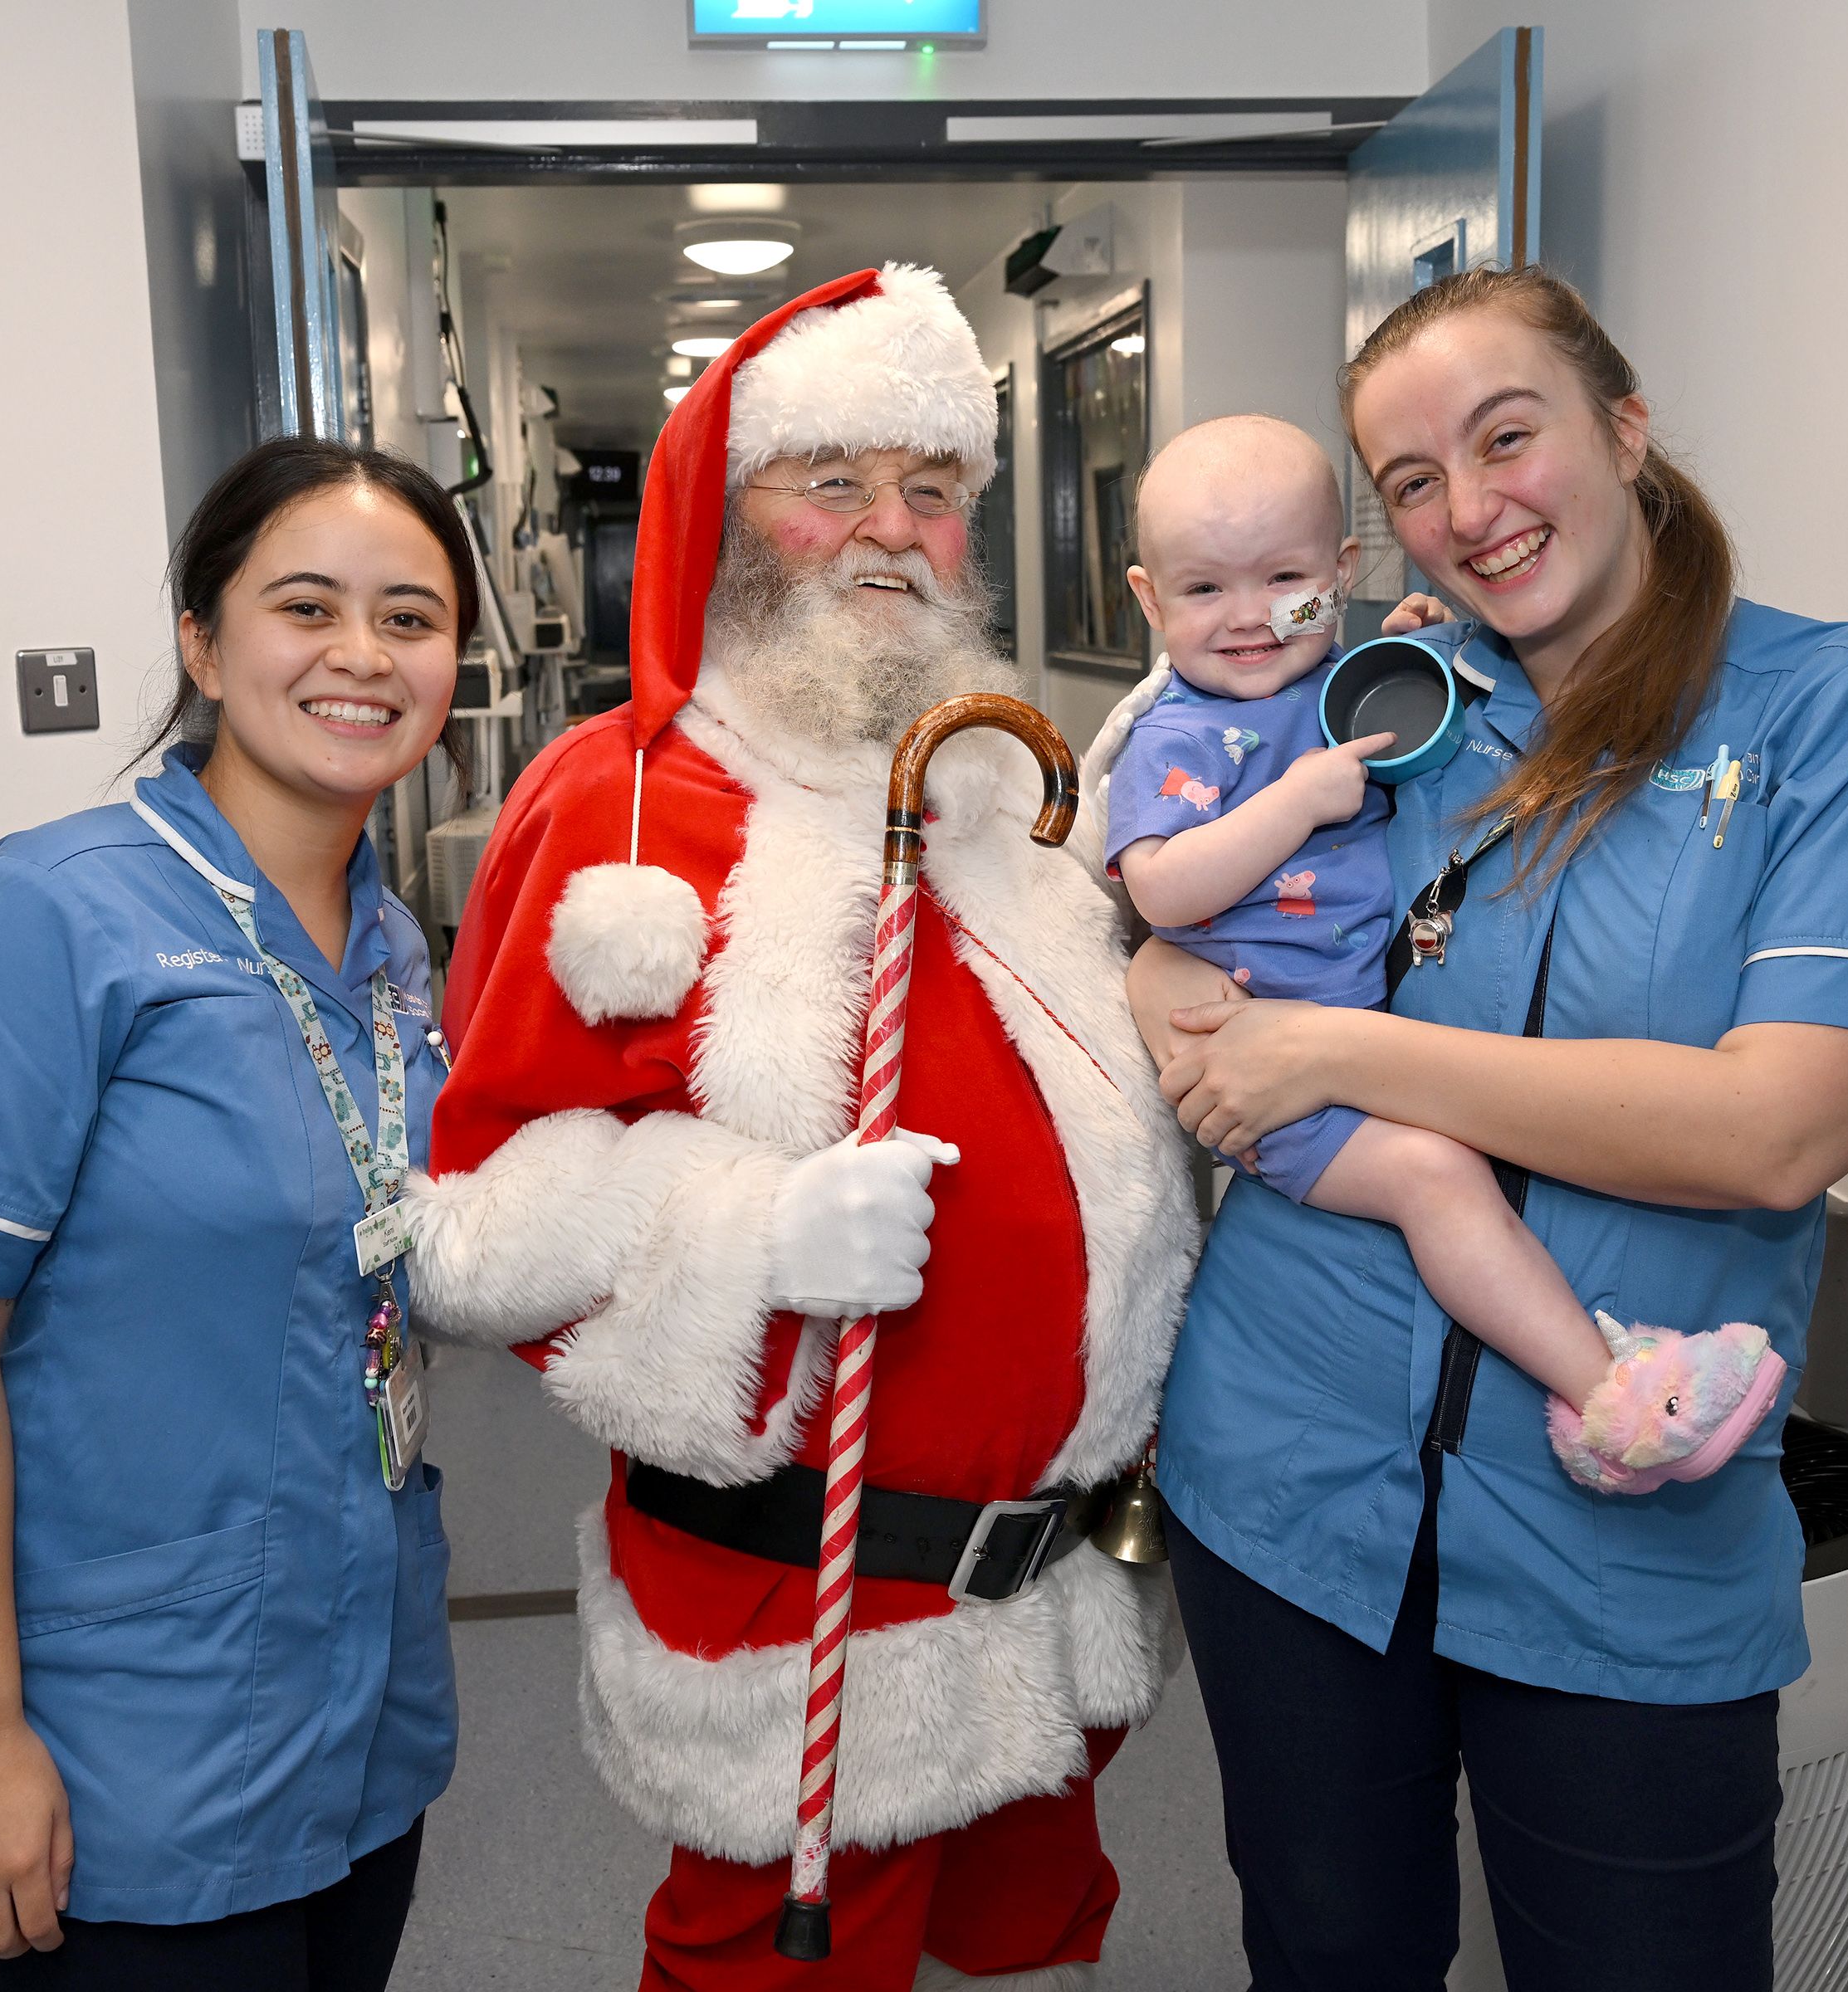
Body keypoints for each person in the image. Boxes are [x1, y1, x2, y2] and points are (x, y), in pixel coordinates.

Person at [1113, 266, 1848, 1988]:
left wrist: (1332, 1047)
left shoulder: (1846, 715)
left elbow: (1774, 1132)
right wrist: (1152, 973)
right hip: (1284, 1476)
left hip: (1623, 1533)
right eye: (1415, 481)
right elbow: (1166, 882)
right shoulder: (1385, 705)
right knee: (1327, 1956)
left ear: (1625, 427)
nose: (1473, 511)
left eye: (1509, 438)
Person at [403, 264, 1195, 1992]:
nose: (887, 530)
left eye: (932, 488)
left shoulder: (1007, 788)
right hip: (811, 1611)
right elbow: (470, 1219)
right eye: (828, 480)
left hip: (1053, 1583)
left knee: (1033, 1946)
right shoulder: (623, 804)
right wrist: (758, 1237)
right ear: (731, 511)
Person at [0, 436, 472, 1988]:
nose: (360, 658)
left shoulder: (394, 952)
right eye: (305, 606)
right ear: (201, 639)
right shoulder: (53, 915)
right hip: (112, 1748)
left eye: (412, 618)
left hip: (351, 1712)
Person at [1101, 414, 1783, 1493]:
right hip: (1273, 1078)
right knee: (1437, 1179)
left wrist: (1410, 636)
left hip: (1357, 1049)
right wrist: (1288, 806)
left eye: (1283, 579)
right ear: (1148, 600)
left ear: (1341, 574)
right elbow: (1160, 885)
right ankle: (1613, 1400)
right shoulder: (1182, 737)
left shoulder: (1339, 678)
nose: (1245, 619)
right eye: (1201, 592)